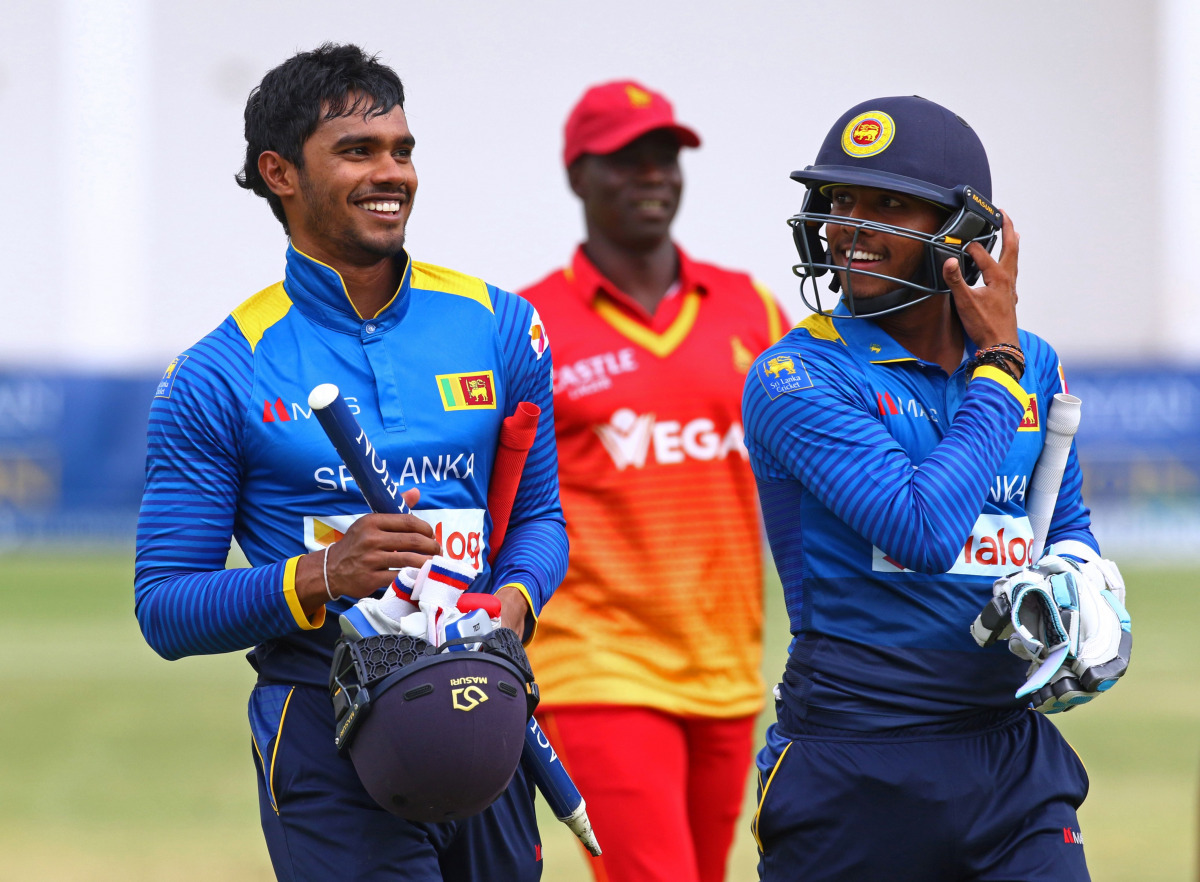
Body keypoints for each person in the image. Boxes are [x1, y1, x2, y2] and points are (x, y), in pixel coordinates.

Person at [134, 43, 567, 881]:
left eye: (402, 150)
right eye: (358, 151)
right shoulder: (220, 371)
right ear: (280, 172)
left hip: (482, 713)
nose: (392, 173)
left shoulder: (502, 324)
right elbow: (166, 608)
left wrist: (514, 602)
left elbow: (541, 519)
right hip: (326, 730)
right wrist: (323, 575)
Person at [743, 95, 1132, 881]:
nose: (851, 225)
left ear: (962, 233)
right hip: (855, 763)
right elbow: (920, 530)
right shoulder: (795, 374)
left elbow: (1062, 522)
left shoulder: (1035, 361)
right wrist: (996, 368)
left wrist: (1084, 587)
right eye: (841, 201)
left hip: (1011, 763)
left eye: (890, 205)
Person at [520, 80, 786, 882]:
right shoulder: (527, 324)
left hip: (728, 663)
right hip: (596, 664)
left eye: (665, 158)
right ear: (577, 175)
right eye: (625, 160)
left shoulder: (753, 311)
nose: (652, 176)